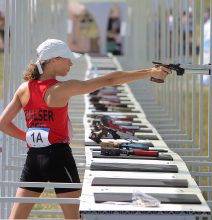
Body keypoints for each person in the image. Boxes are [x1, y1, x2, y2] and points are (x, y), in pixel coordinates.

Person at [0, 38, 171, 219]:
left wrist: (27, 137)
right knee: (74, 218)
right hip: (59, 156)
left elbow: (3, 123)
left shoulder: (23, 89)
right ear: (53, 61)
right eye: (68, 59)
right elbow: (110, 79)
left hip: (33, 157)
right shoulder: (61, 88)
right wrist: (149, 72)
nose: (71, 63)